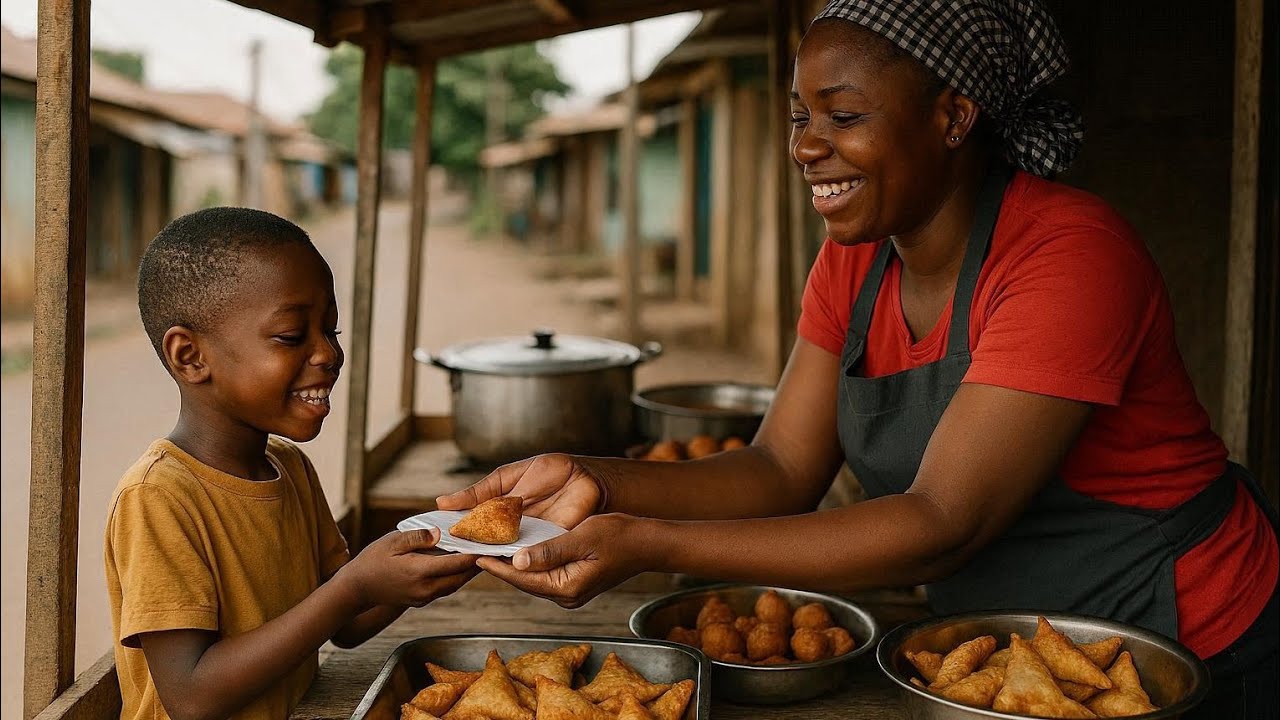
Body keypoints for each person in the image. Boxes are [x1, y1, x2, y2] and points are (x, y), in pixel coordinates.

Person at [438, 1, 1278, 717]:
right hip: (999, 660)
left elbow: (943, 522)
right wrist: (595, 483)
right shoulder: (857, 258)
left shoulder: (1069, 256)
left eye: (845, 116)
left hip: (1184, 645)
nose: (807, 146)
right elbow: (780, 467)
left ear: (952, 116)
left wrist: (643, 538)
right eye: (801, 116)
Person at [107, 207, 478, 720]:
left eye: (331, 330)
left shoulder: (289, 466)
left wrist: (448, 550)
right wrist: (354, 588)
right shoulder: (159, 496)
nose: (327, 354)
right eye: (290, 336)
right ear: (190, 357)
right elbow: (191, 696)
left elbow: (344, 623)